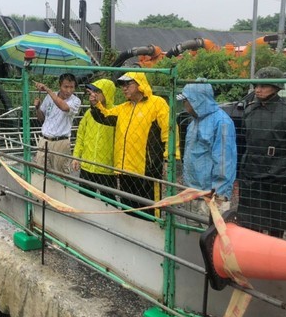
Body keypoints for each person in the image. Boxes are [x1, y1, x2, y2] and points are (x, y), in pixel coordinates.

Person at [237, 66, 286, 238]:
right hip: (252, 174)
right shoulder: (249, 111)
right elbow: (245, 138)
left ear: (276, 87)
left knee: (276, 225)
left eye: (263, 86)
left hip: (278, 175)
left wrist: (282, 163)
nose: (258, 89)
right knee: (252, 224)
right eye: (256, 85)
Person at [89, 71, 176, 213]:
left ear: (140, 84)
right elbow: (104, 116)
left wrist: (170, 158)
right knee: (128, 210)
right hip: (124, 170)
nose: (124, 88)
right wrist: (95, 104)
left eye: (128, 84)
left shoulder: (157, 104)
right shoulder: (124, 108)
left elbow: (170, 131)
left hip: (146, 171)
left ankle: (151, 234)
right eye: (122, 85)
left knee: (149, 210)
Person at [178, 81, 237, 216]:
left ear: (196, 100)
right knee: (192, 232)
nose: (184, 104)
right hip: (192, 191)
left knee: (209, 234)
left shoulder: (221, 122)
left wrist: (219, 194)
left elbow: (224, 162)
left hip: (211, 196)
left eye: (186, 100)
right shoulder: (193, 122)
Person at [72, 79, 118, 200]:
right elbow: (81, 135)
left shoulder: (115, 113)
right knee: (84, 199)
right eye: (92, 91)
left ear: (106, 93)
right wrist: (76, 156)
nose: (93, 94)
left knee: (109, 201)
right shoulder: (89, 113)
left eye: (97, 91)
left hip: (107, 168)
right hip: (87, 165)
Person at [33, 73, 81, 174]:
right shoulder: (50, 96)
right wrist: (37, 108)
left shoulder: (75, 101)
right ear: (60, 85)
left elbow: (64, 107)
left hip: (61, 142)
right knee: (40, 172)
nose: (69, 90)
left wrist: (48, 90)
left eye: (72, 87)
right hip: (44, 139)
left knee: (60, 174)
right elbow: (41, 117)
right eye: (66, 87)